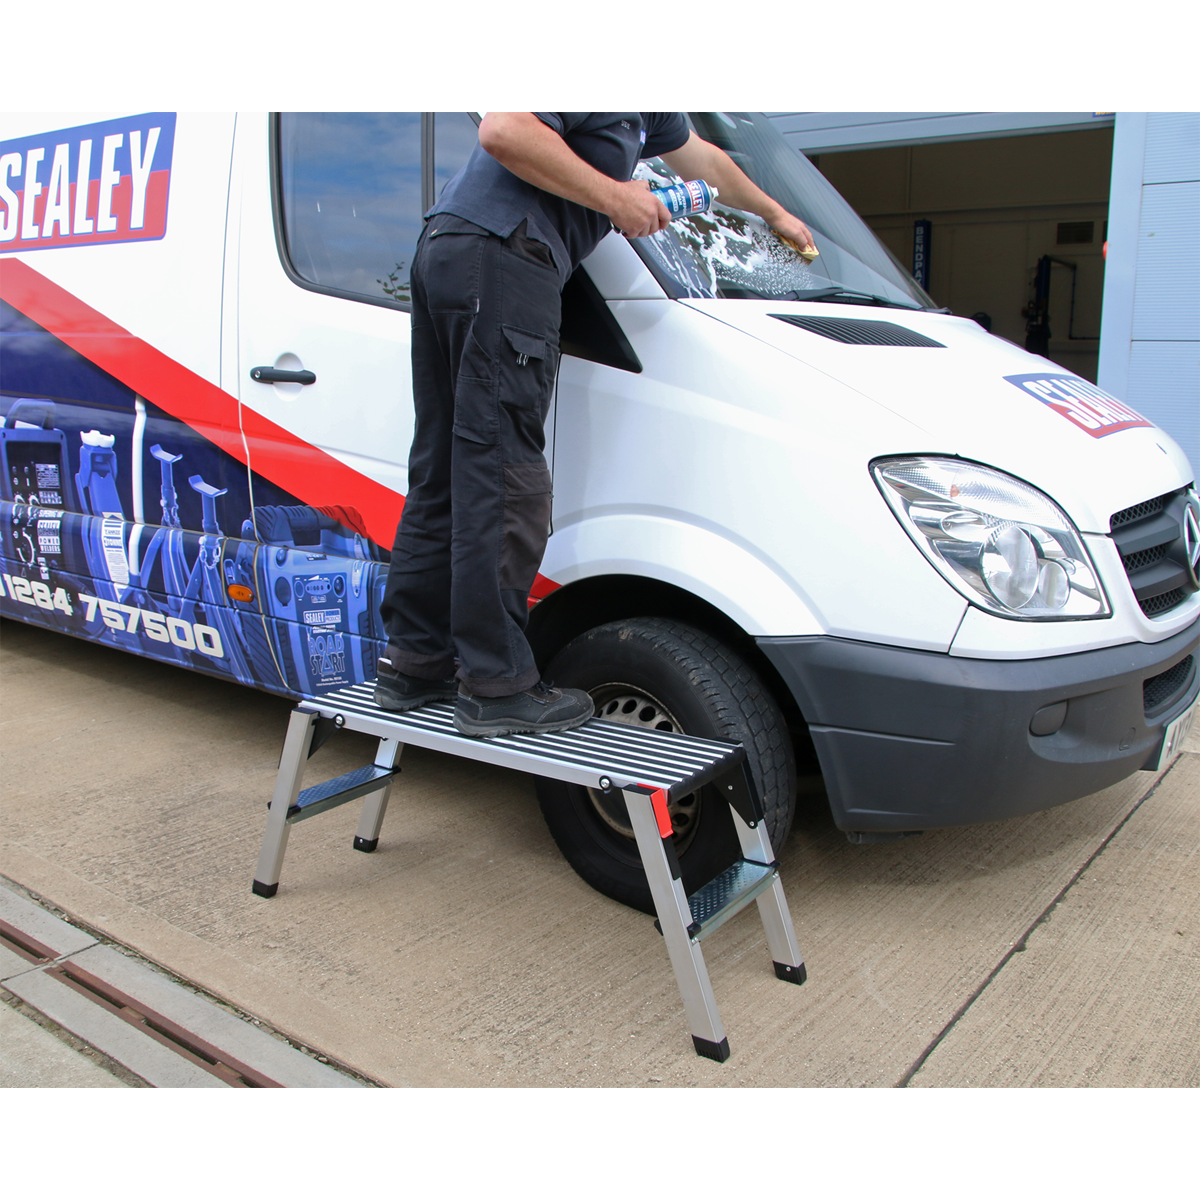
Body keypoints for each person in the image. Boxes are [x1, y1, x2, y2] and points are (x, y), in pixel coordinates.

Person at [375, 112, 816, 737]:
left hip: (454, 250)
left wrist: (774, 213)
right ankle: (495, 685)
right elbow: (504, 129)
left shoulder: (650, 105)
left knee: (446, 466)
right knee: (504, 476)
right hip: (504, 255)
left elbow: (708, 163)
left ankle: (413, 662)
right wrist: (618, 198)